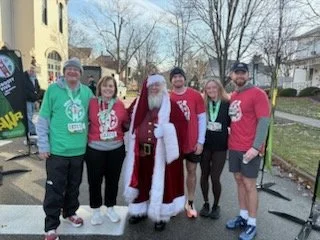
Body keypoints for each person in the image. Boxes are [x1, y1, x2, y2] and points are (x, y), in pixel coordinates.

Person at [36, 57, 93, 240]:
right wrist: (43, 145)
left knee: (74, 186)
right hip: (57, 151)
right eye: (69, 69)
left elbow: (95, 117)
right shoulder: (53, 90)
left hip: (78, 150)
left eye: (76, 70)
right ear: (64, 71)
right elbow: (43, 120)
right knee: (54, 190)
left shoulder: (86, 92)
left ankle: (70, 212)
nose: (72, 72)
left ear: (80, 74)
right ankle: (51, 227)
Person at [123, 74, 187, 231]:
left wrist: (166, 130)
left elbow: (182, 127)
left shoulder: (171, 104)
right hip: (141, 151)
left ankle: (161, 215)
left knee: (163, 183)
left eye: (158, 85)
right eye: (152, 85)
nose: (155, 88)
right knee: (141, 179)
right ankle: (139, 211)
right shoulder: (138, 104)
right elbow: (126, 119)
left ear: (163, 87)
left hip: (162, 153)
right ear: (147, 87)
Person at [226, 62, 270, 240]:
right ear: (232, 76)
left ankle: (252, 223)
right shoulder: (234, 95)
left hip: (249, 148)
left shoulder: (258, 94)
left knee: (250, 185)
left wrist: (256, 147)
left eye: (243, 73)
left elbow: (264, 122)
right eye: (237, 73)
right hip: (234, 146)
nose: (240, 76)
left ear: (248, 75)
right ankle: (243, 216)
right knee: (238, 181)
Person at [85, 76, 128, 225]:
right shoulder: (91, 103)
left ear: (115, 89)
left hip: (116, 149)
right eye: (105, 86)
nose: (108, 89)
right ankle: (96, 210)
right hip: (95, 149)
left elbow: (126, 124)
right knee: (94, 181)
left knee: (113, 181)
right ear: (99, 88)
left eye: (111, 86)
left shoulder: (120, 105)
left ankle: (110, 208)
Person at [169, 67, 206, 218]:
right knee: (173, 175)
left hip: (191, 142)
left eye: (180, 76)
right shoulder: (167, 97)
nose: (178, 79)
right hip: (174, 144)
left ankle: (190, 202)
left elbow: (202, 118)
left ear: (184, 78)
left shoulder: (195, 95)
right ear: (171, 80)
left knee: (191, 171)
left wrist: (201, 141)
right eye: (175, 77)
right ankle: (173, 202)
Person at [199, 79, 231, 219]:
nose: (211, 90)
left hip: (220, 146)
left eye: (214, 87)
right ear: (205, 90)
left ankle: (216, 205)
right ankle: (206, 203)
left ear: (219, 88)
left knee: (215, 177)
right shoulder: (203, 104)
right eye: (208, 88)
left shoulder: (227, 103)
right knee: (204, 175)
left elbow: (234, 123)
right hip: (205, 145)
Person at [24, 65, 40, 136]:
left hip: (34, 100)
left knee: (33, 116)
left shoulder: (35, 79)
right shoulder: (24, 78)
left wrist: (37, 99)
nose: (33, 72)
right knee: (29, 116)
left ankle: (31, 130)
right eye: (31, 70)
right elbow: (25, 90)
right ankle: (32, 131)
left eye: (34, 71)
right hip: (28, 100)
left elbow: (38, 88)